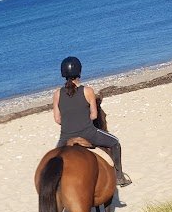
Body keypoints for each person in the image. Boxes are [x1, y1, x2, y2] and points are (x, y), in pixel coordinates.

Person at [53, 56, 132, 187]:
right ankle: (119, 177)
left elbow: (57, 119)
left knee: (54, 160)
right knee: (115, 143)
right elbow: (94, 116)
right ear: (79, 72)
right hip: (88, 133)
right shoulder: (87, 91)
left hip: (65, 137)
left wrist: (70, 122)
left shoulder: (57, 94)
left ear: (63, 74)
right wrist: (82, 121)